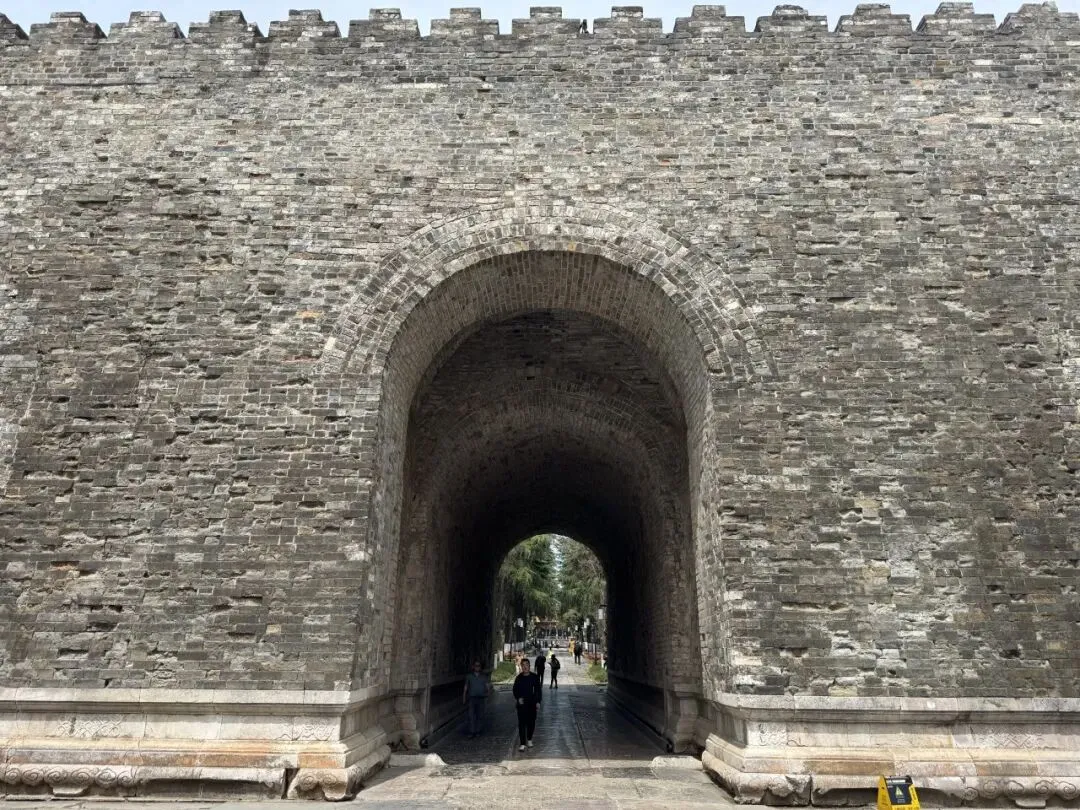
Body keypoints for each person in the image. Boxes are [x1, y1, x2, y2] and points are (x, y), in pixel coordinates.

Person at [512, 657, 542, 751]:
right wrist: (518, 698)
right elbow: (515, 690)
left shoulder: (534, 677)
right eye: (523, 665)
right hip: (522, 704)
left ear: (529, 666)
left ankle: (529, 739)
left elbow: (538, 690)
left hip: (532, 704)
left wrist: (538, 701)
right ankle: (522, 743)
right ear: (521, 666)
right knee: (521, 723)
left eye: (527, 665)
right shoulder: (519, 678)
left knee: (531, 723)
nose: (525, 667)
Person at [461, 660, 492, 738]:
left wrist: (488, 695)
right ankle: (472, 731)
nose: (477, 667)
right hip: (472, 698)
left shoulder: (483, 677)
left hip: (481, 698)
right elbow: (465, 687)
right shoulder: (469, 676)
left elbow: (487, 686)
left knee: (480, 715)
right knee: (471, 715)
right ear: (473, 667)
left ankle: (478, 731)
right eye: (476, 665)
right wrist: (464, 697)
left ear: (480, 667)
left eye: (478, 666)